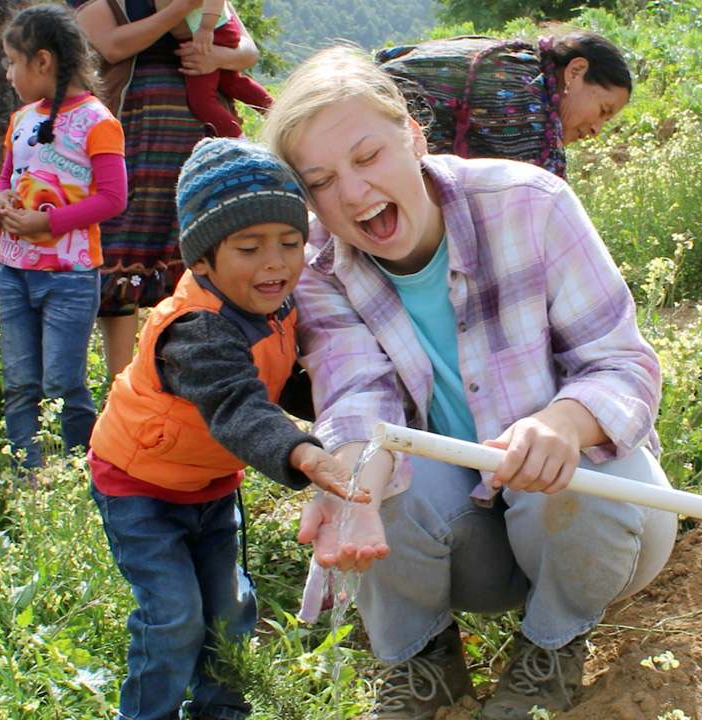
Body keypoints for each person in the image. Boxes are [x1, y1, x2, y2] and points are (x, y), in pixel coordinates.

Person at [262, 48, 678, 720]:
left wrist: (564, 424)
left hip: (589, 525)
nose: (355, 193)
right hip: (470, 544)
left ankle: (551, 652)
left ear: (413, 134)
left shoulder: (529, 205)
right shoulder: (320, 267)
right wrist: (352, 474)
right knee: (372, 471)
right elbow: (357, 396)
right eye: (321, 181)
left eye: (368, 157)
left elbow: (622, 365)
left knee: (574, 489)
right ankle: (424, 664)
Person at [87, 137, 363, 720]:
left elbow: (278, 376)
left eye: (291, 243)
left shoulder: (274, 304)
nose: (276, 262)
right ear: (202, 260)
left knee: (230, 608)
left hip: (209, 484)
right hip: (140, 486)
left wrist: (349, 409)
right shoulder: (197, 330)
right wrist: (304, 452)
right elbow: (237, 404)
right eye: (250, 247)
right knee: (174, 617)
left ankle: (222, 713)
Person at [71, 0, 264, 376]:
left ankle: (191, 377)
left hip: (196, 133)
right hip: (130, 127)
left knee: (195, 243)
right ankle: (121, 383)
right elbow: (113, 46)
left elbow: (248, 50)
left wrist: (215, 56)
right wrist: (181, 9)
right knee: (121, 246)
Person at [0, 4, 127, 470]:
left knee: (64, 382)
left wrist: (49, 224)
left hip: (70, 274)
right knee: (21, 380)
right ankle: (26, 473)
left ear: (42, 61)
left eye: (11, 62)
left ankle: (83, 468)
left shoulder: (97, 121)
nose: (8, 74)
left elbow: (112, 198)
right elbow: (6, 179)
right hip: (14, 272)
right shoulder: (21, 119)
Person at [375, 30, 632, 180]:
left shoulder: (521, 62)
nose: (596, 130)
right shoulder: (525, 99)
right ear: (575, 72)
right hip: (375, 123)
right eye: (603, 111)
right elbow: (542, 206)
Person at [155, 0, 273, 138]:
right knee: (231, 81)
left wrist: (206, 28)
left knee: (202, 101)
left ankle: (239, 144)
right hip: (210, 31)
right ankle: (281, 115)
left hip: (210, 33)